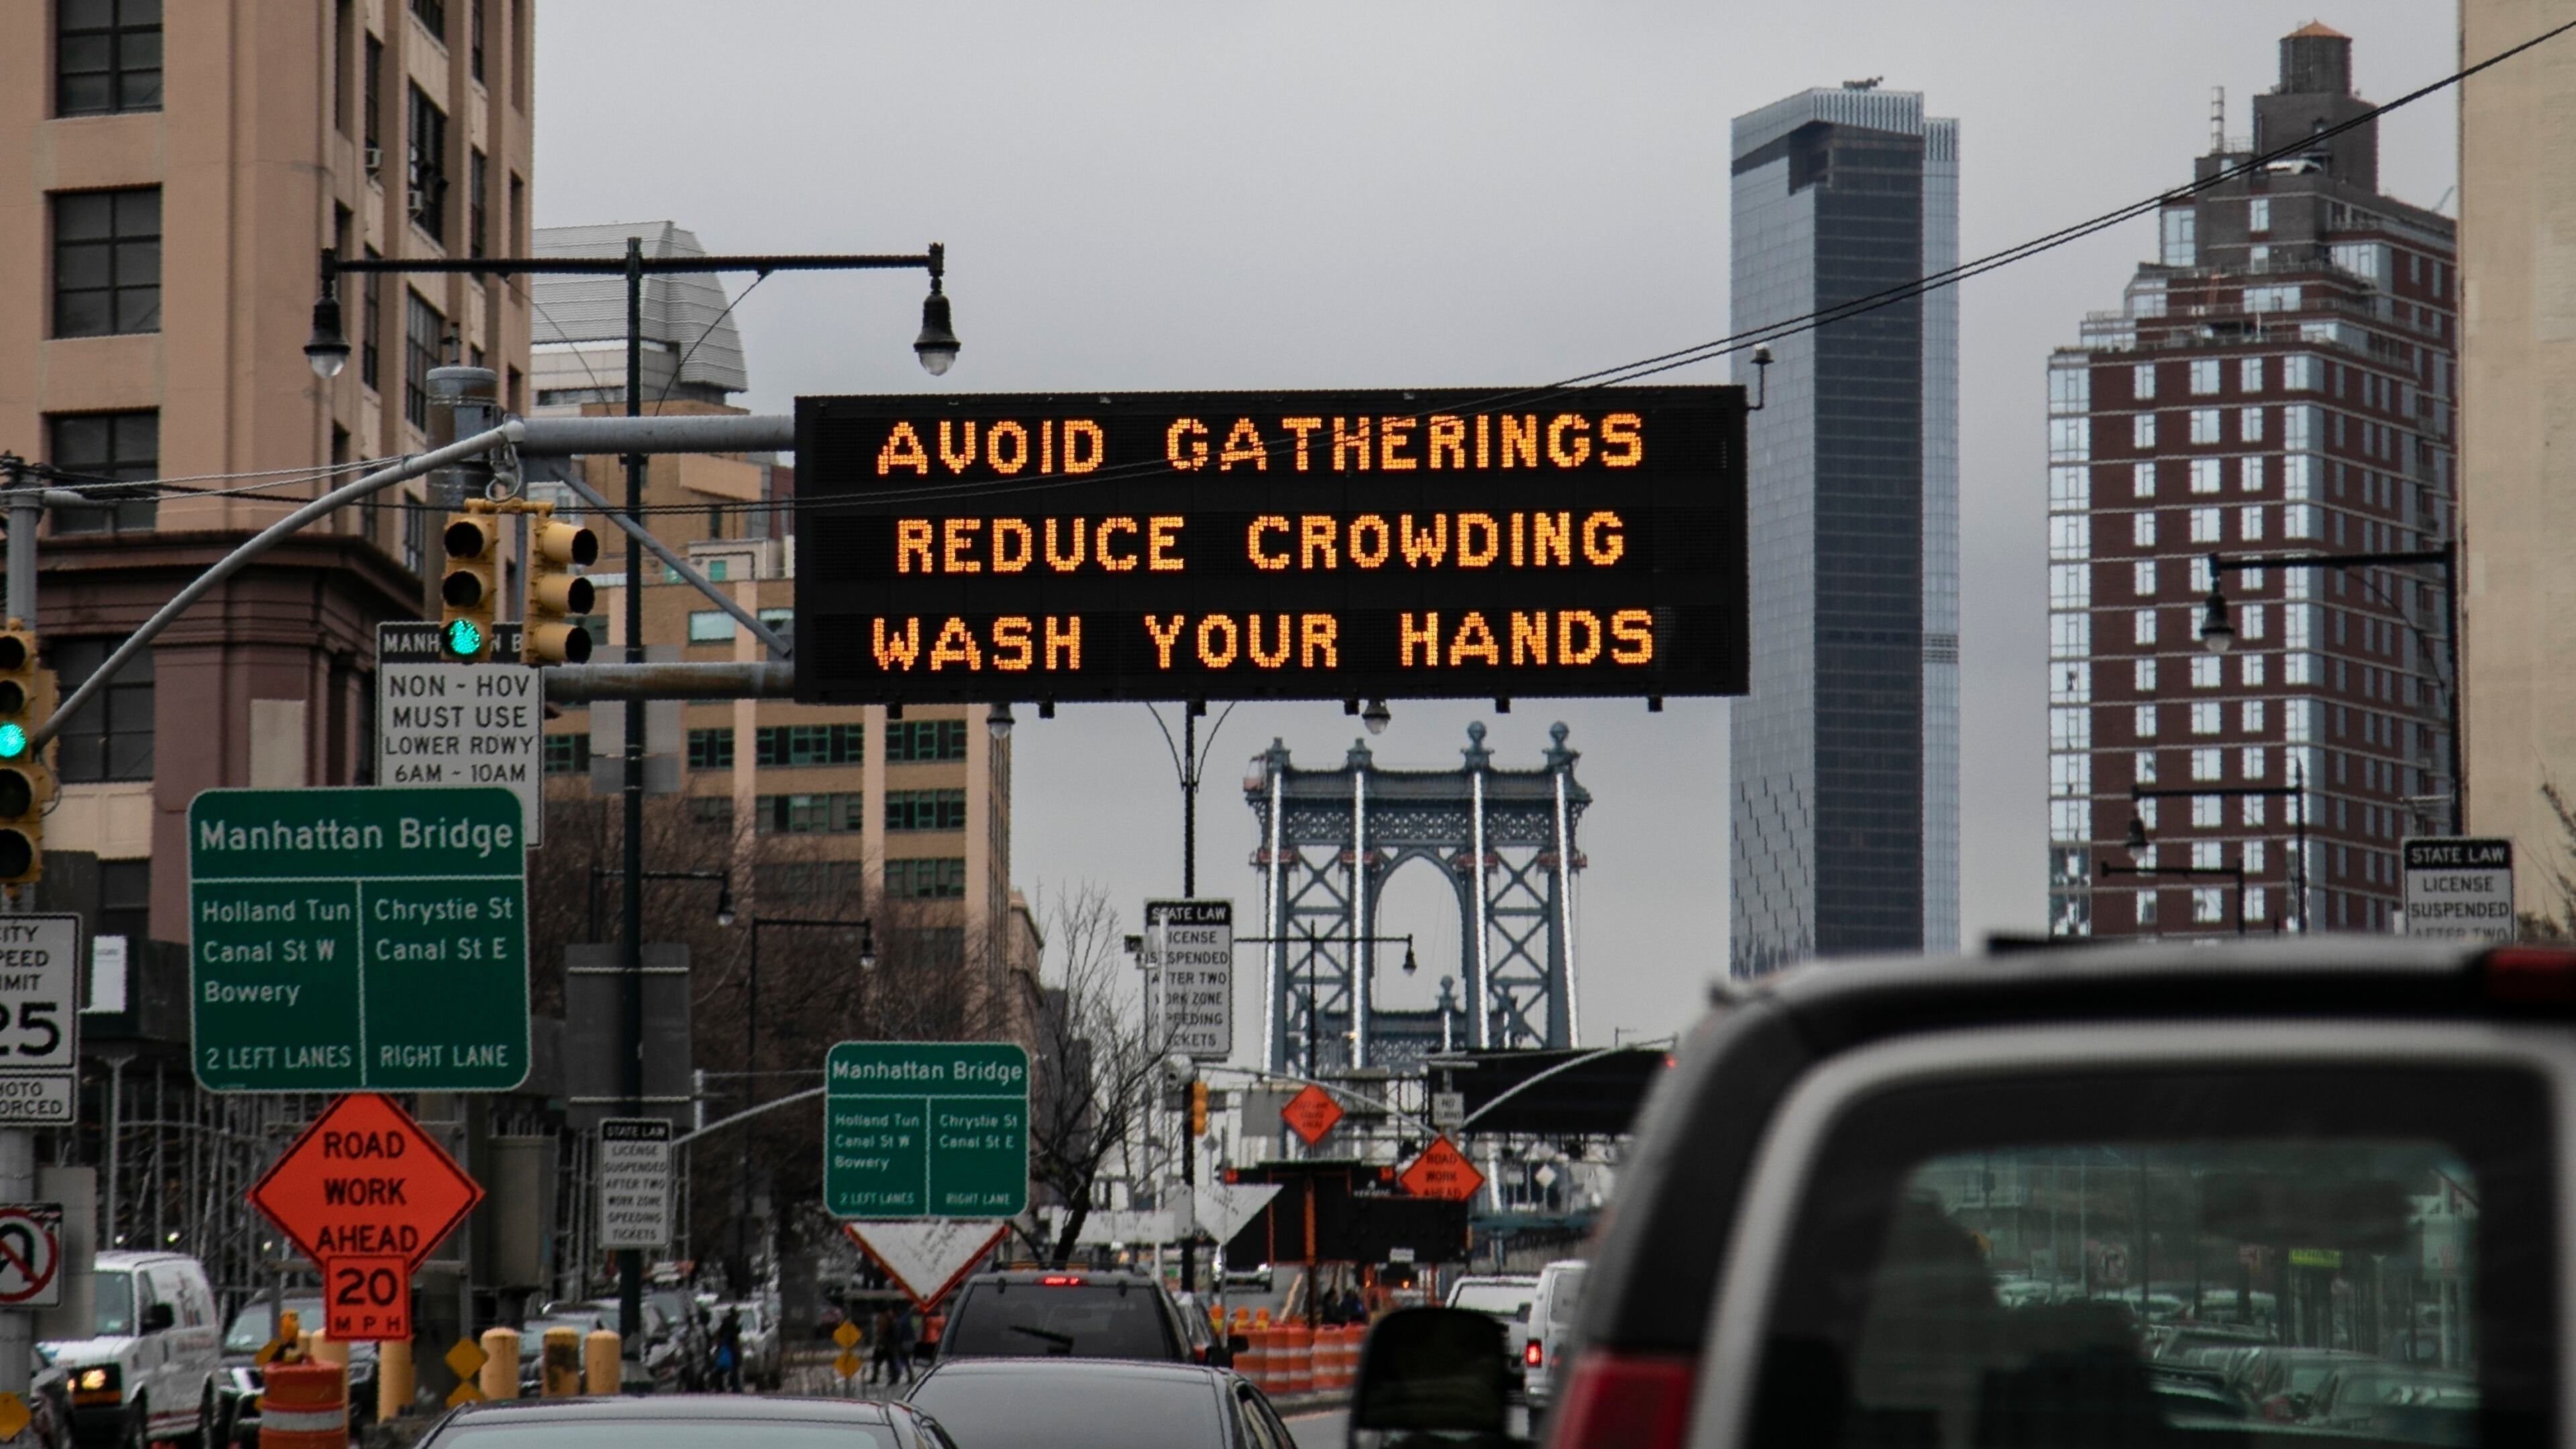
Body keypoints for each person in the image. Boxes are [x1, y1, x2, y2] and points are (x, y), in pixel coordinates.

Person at [716, 1305, 745, 1393]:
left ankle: (721, 1386)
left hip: (724, 1348)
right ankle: (735, 1386)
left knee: (723, 1369)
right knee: (735, 1368)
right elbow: (733, 1336)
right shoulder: (732, 1323)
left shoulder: (725, 1322)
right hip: (731, 1348)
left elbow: (720, 1334)